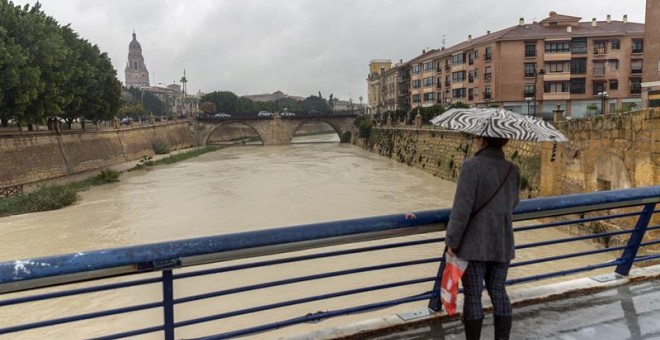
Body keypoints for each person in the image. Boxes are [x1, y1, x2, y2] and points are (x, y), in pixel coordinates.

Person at [445, 136, 520, 340]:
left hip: (474, 244)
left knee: (473, 296)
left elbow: (461, 210)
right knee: (498, 291)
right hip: (502, 243)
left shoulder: (470, 167)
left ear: (481, 139)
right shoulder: (512, 170)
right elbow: (513, 203)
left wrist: (452, 242)